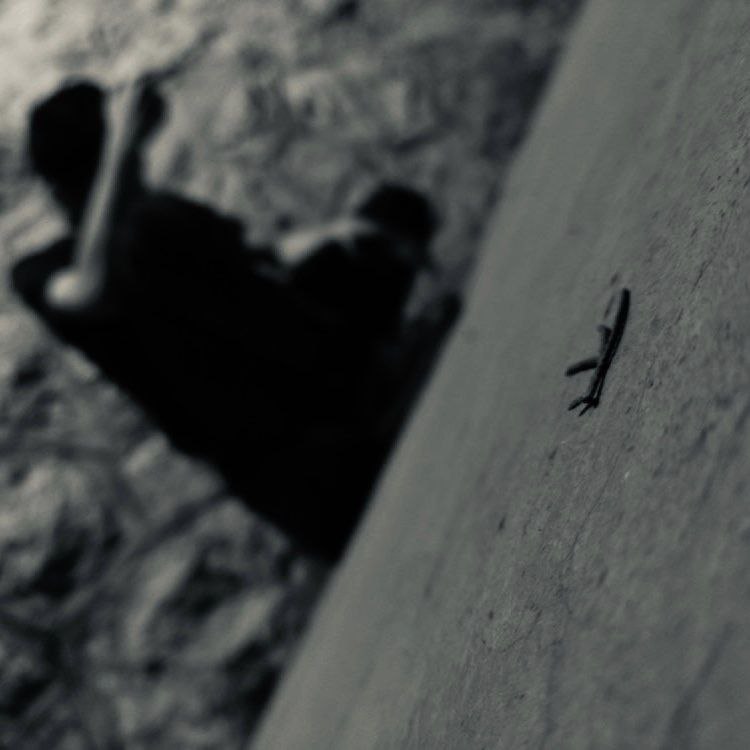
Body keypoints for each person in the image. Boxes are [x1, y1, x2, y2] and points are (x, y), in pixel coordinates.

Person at [10, 78, 459, 559]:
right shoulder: (44, 269)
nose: (138, 163)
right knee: (152, 226)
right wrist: (117, 149)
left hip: (312, 392)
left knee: (391, 211)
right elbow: (89, 293)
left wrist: (332, 234)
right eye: (128, 156)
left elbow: (255, 264)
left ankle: (370, 376)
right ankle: (366, 384)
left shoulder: (155, 223)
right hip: (284, 451)